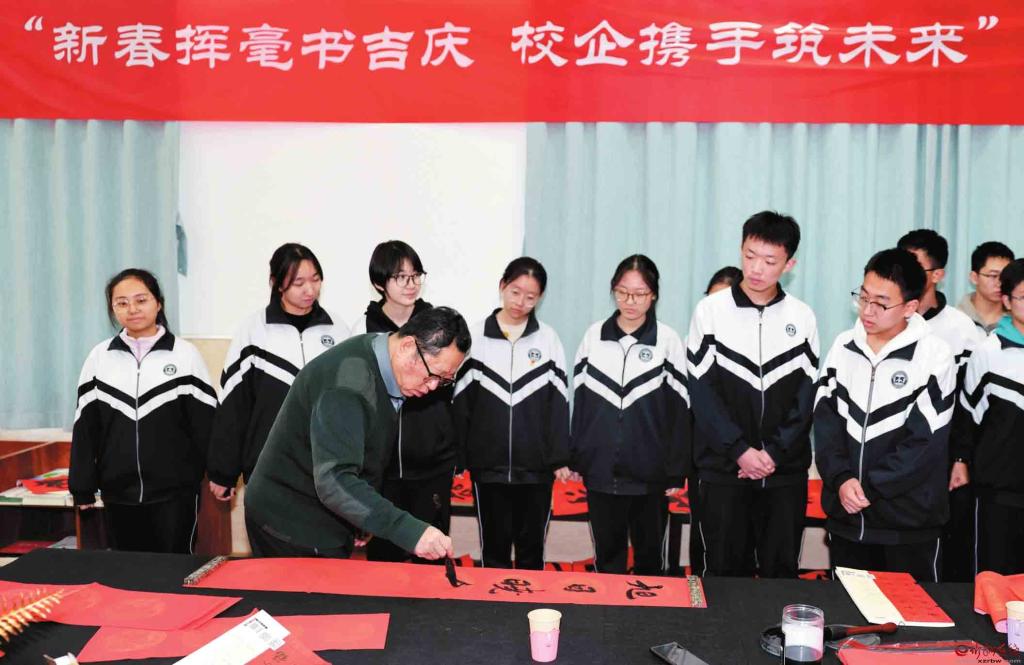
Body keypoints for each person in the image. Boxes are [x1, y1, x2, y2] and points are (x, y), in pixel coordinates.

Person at [244, 306, 471, 560]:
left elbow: (364, 451)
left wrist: (362, 517)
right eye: (432, 375)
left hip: (326, 513)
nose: (433, 387)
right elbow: (334, 480)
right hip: (290, 520)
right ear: (408, 346)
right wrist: (411, 532)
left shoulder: (381, 354)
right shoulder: (348, 384)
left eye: (444, 381)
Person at [687, 212, 819, 578]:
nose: (757, 268)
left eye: (770, 261)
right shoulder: (710, 311)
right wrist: (740, 451)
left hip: (783, 473)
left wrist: (774, 452)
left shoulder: (802, 317)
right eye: (750, 255)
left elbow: (805, 397)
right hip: (723, 470)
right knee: (723, 576)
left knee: (780, 574)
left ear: (789, 264)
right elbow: (702, 393)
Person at [815, 249, 956, 582]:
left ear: (909, 307)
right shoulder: (843, 347)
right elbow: (825, 423)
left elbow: (924, 442)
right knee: (847, 610)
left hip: (907, 523)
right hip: (847, 518)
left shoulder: (934, 356)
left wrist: (870, 487)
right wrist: (841, 479)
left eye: (881, 303)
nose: (868, 310)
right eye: (863, 297)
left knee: (910, 612)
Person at [70, 269, 217, 553]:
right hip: (118, 494)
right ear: (112, 309)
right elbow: (86, 427)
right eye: (122, 303)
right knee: (127, 571)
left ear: (158, 303)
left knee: (174, 570)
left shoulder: (185, 355)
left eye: (141, 300)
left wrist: (221, 474)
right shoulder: (100, 358)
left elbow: (206, 424)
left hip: (175, 494)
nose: (132, 309)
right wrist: (82, 486)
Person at [570, 254, 690, 575]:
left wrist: (675, 471)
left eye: (639, 294)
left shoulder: (667, 341)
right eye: (622, 292)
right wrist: (578, 458)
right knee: (607, 559)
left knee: (650, 562)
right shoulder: (594, 336)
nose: (630, 301)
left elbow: (679, 412)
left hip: (649, 477)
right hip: (600, 473)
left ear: (654, 295)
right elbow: (580, 405)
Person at [207, 243, 349, 505]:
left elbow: (352, 402)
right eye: (298, 283)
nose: (310, 290)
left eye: (316, 279)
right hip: (268, 469)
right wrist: (223, 472)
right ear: (276, 283)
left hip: (327, 469)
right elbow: (234, 406)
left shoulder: (337, 330)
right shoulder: (254, 331)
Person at [453, 257, 570, 570]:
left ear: (540, 298)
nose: (521, 302)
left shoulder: (548, 340)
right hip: (488, 468)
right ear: (502, 286)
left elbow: (559, 404)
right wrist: (460, 457)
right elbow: (462, 403)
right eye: (515, 292)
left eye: (531, 297)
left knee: (532, 550)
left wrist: (558, 457)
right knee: (494, 550)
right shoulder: (475, 338)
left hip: (536, 469)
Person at [352, 240, 457, 564]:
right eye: (401, 277)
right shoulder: (363, 330)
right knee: (384, 562)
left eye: (416, 275)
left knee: (433, 557)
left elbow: (450, 389)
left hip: (431, 465)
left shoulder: (439, 327)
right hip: (381, 469)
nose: (411, 284)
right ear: (379, 283)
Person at [897, 229, 985, 581]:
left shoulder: (961, 329)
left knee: (948, 554)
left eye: (915, 267)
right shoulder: (889, 320)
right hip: (894, 456)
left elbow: (968, 402)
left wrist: (960, 457)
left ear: (937, 274)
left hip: (944, 456)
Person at [953, 258, 1024, 575]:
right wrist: (961, 461)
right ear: (1006, 301)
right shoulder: (988, 352)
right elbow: (968, 415)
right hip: (998, 490)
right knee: (994, 579)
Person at [687, 264, 743, 572]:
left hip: (747, 465)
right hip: (706, 462)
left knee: (739, 552)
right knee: (707, 547)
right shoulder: (696, 342)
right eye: (709, 299)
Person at [957, 242, 1015, 333]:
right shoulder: (954, 318)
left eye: (1005, 276)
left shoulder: (1017, 321)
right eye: (993, 276)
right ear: (974, 278)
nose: (1000, 283)